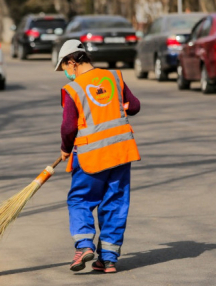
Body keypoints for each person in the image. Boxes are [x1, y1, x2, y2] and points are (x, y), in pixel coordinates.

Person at [56, 39, 141, 273]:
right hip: (121, 153)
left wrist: (65, 148)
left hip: (91, 157)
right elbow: (134, 106)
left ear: (72, 62)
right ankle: (109, 259)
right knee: (115, 202)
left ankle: (84, 246)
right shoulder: (114, 77)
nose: (65, 74)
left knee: (80, 200)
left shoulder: (73, 89)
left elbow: (68, 127)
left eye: (64, 68)